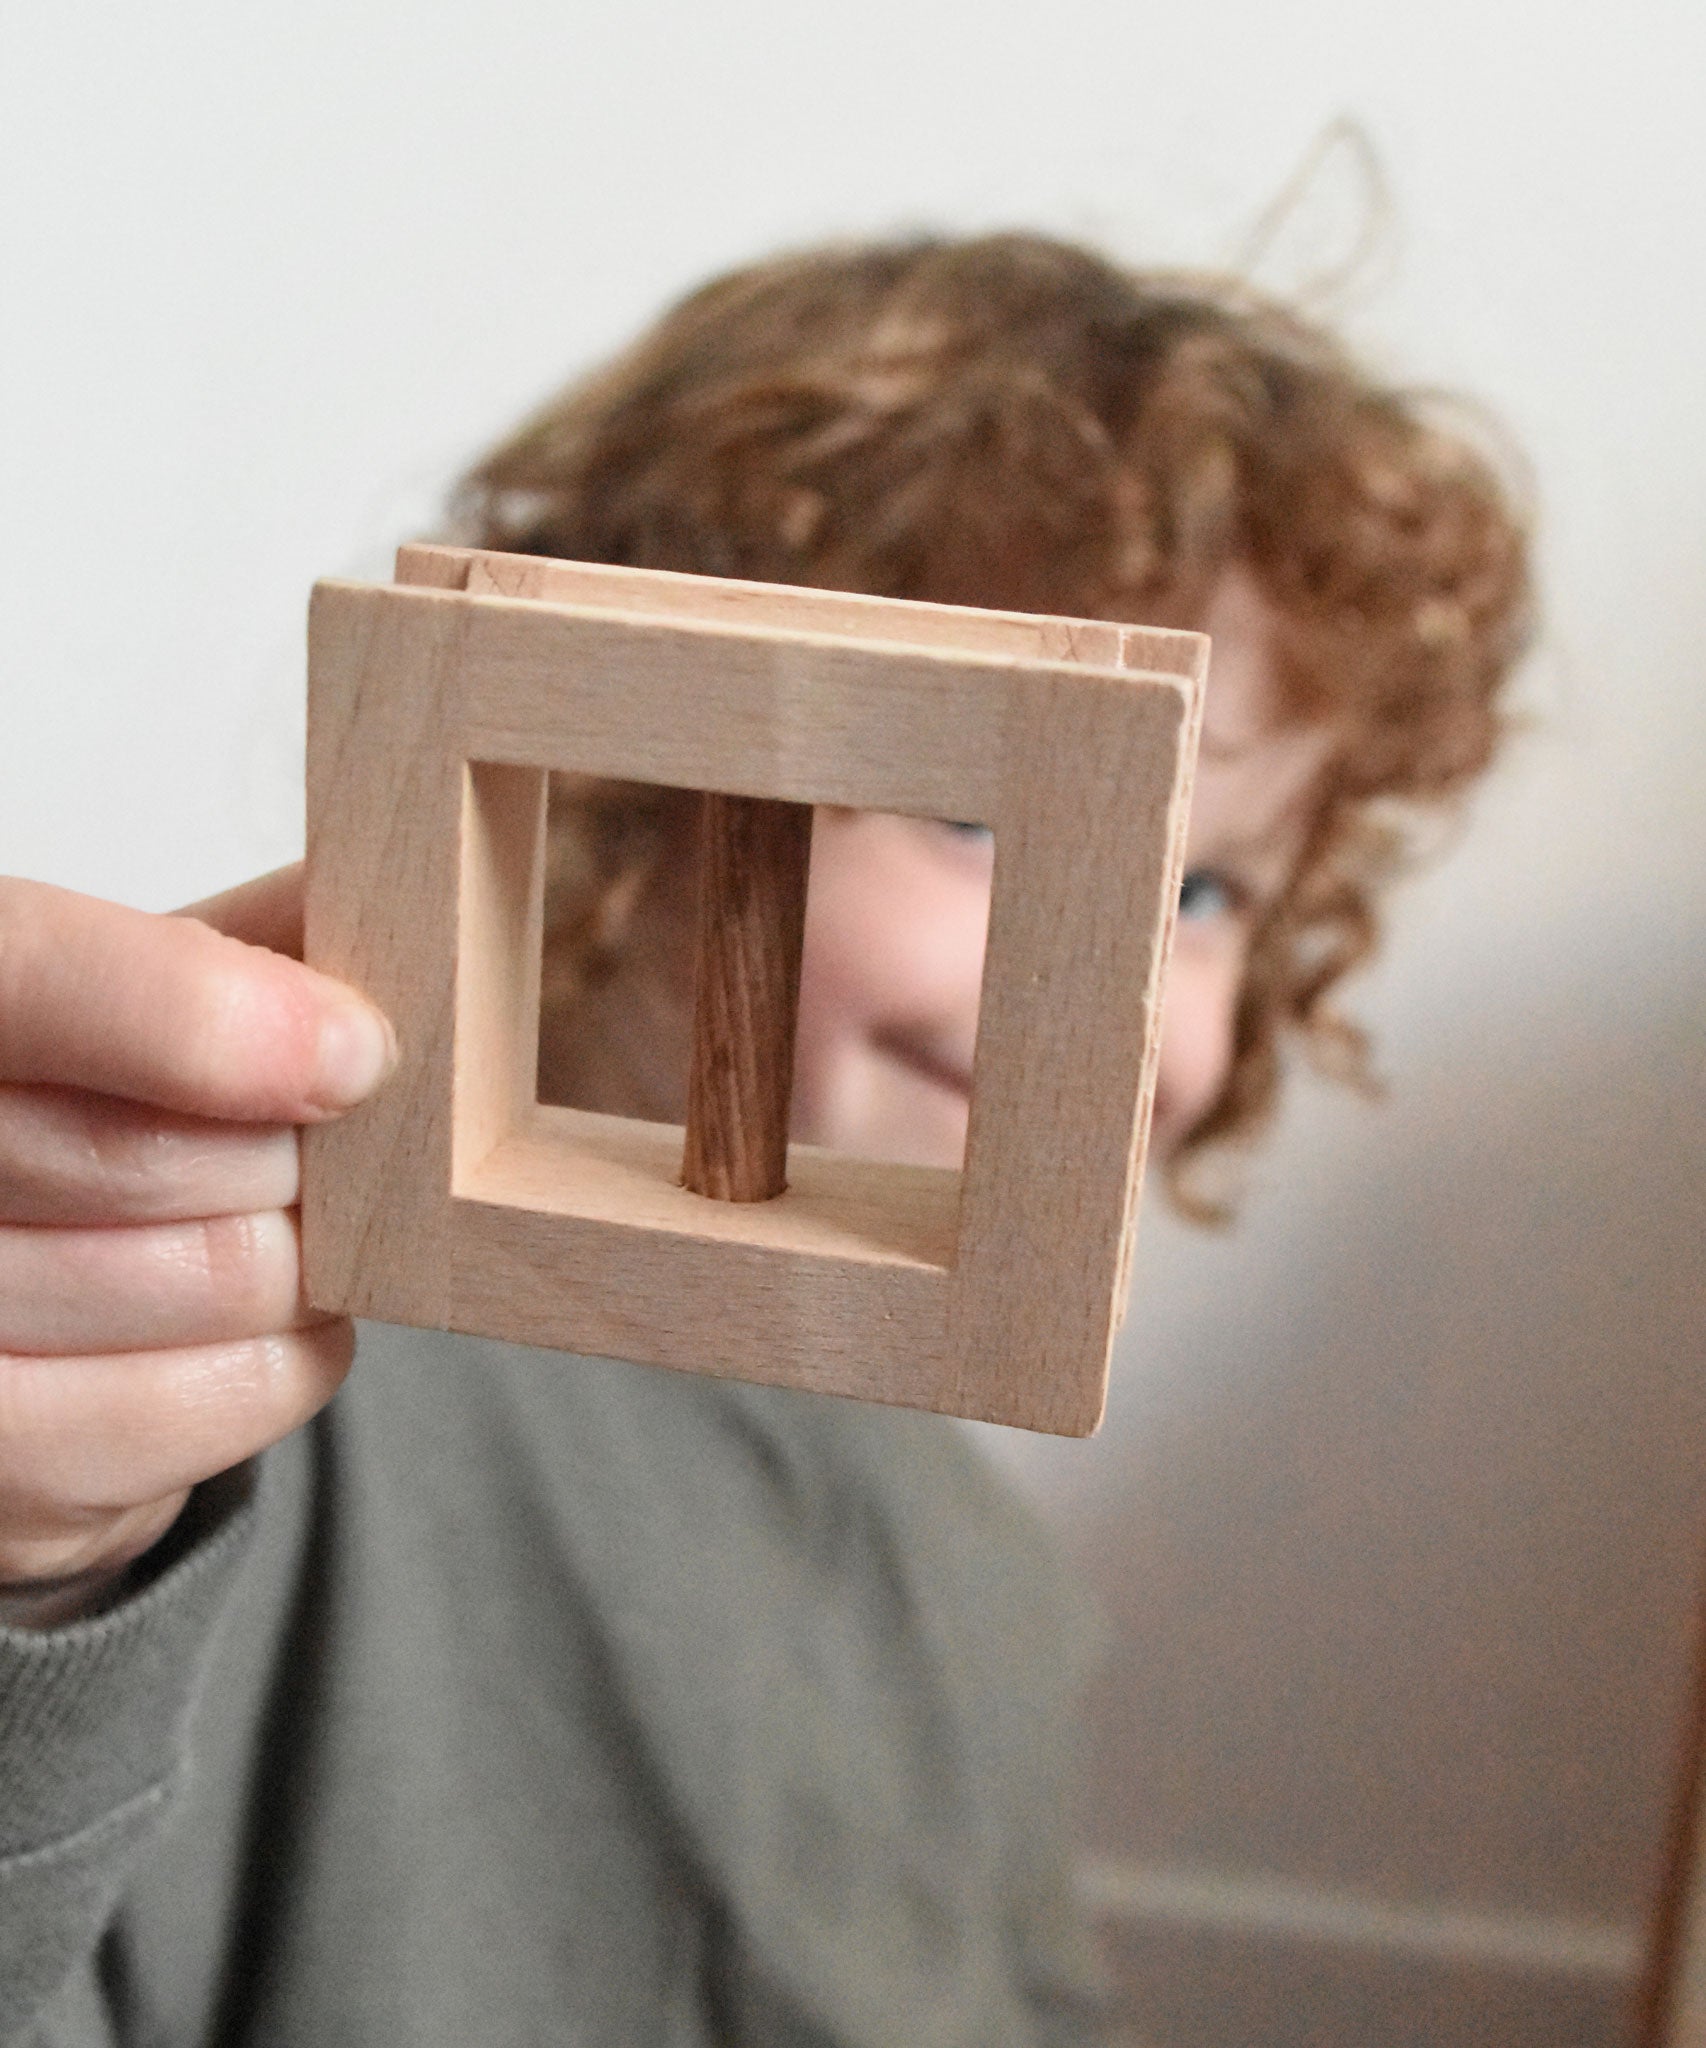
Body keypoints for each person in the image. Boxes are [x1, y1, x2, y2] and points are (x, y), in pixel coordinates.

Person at [0, 233, 1530, 2044]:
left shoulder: (978, 1563)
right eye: (974, 814)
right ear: (617, 793)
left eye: (1202, 885)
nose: (1120, 986)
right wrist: (48, 1566)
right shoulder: (238, 1392)